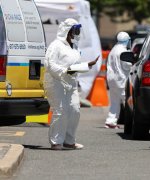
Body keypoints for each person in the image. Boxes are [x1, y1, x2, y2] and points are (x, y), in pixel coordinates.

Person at [44, 18, 99, 150]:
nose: (76, 33)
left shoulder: (73, 46)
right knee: (60, 111)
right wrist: (64, 71)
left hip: (71, 82)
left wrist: (87, 65)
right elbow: (49, 64)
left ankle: (69, 141)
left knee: (74, 110)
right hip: (56, 82)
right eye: (75, 30)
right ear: (67, 30)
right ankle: (56, 142)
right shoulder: (56, 45)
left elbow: (73, 66)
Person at [105, 32, 131, 129]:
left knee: (114, 101)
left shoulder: (113, 50)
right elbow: (126, 65)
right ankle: (131, 122)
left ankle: (110, 121)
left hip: (112, 80)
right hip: (121, 79)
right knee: (128, 102)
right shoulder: (123, 51)